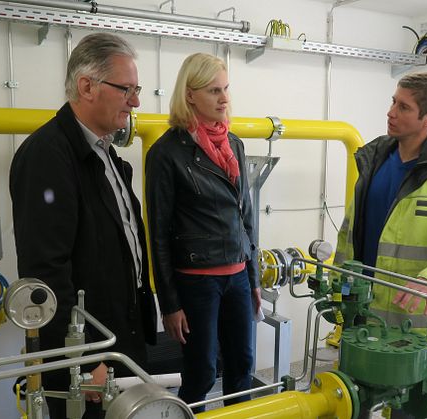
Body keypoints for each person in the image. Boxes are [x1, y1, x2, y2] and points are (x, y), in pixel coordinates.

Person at [10, 32, 157, 419]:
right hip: (88, 359)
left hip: (119, 340)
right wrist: (84, 359)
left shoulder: (105, 153)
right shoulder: (48, 157)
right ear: (86, 86)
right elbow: (44, 273)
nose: (136, 101)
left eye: (136, 89)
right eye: (126, 89)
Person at [145, 52, 260, 412]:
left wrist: (253, 277)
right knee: (201, 373)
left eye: (225, 89)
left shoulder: (234, 144)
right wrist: (170, 304)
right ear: (189, 95)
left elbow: (246, 217)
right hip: (197, 283)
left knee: (242, 368)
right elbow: (158, 233)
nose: (224, 99)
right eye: (214, 91)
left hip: (238, 277)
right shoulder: (167, 152)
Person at [335, 71, 427, 329]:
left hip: (411, 327)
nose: (391, 112)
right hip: (357, 311)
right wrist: (337, 288)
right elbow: (348, 235)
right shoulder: (373, 161)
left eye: (403, 107)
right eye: (393, 102)